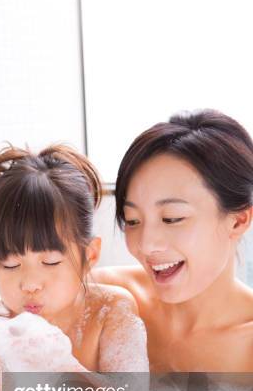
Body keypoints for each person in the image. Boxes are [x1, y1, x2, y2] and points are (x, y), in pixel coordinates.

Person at [0, 144, 149, 391]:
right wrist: (9, 378)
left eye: (50, 262)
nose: (30, 284)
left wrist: (60, 364)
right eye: (10, 265)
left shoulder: (109, 312)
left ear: (90, 256)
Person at [93, 109, 253, 373]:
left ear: (238, 221)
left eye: (172, 218)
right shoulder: (105, 298)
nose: (146, 245)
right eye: (133, 220)